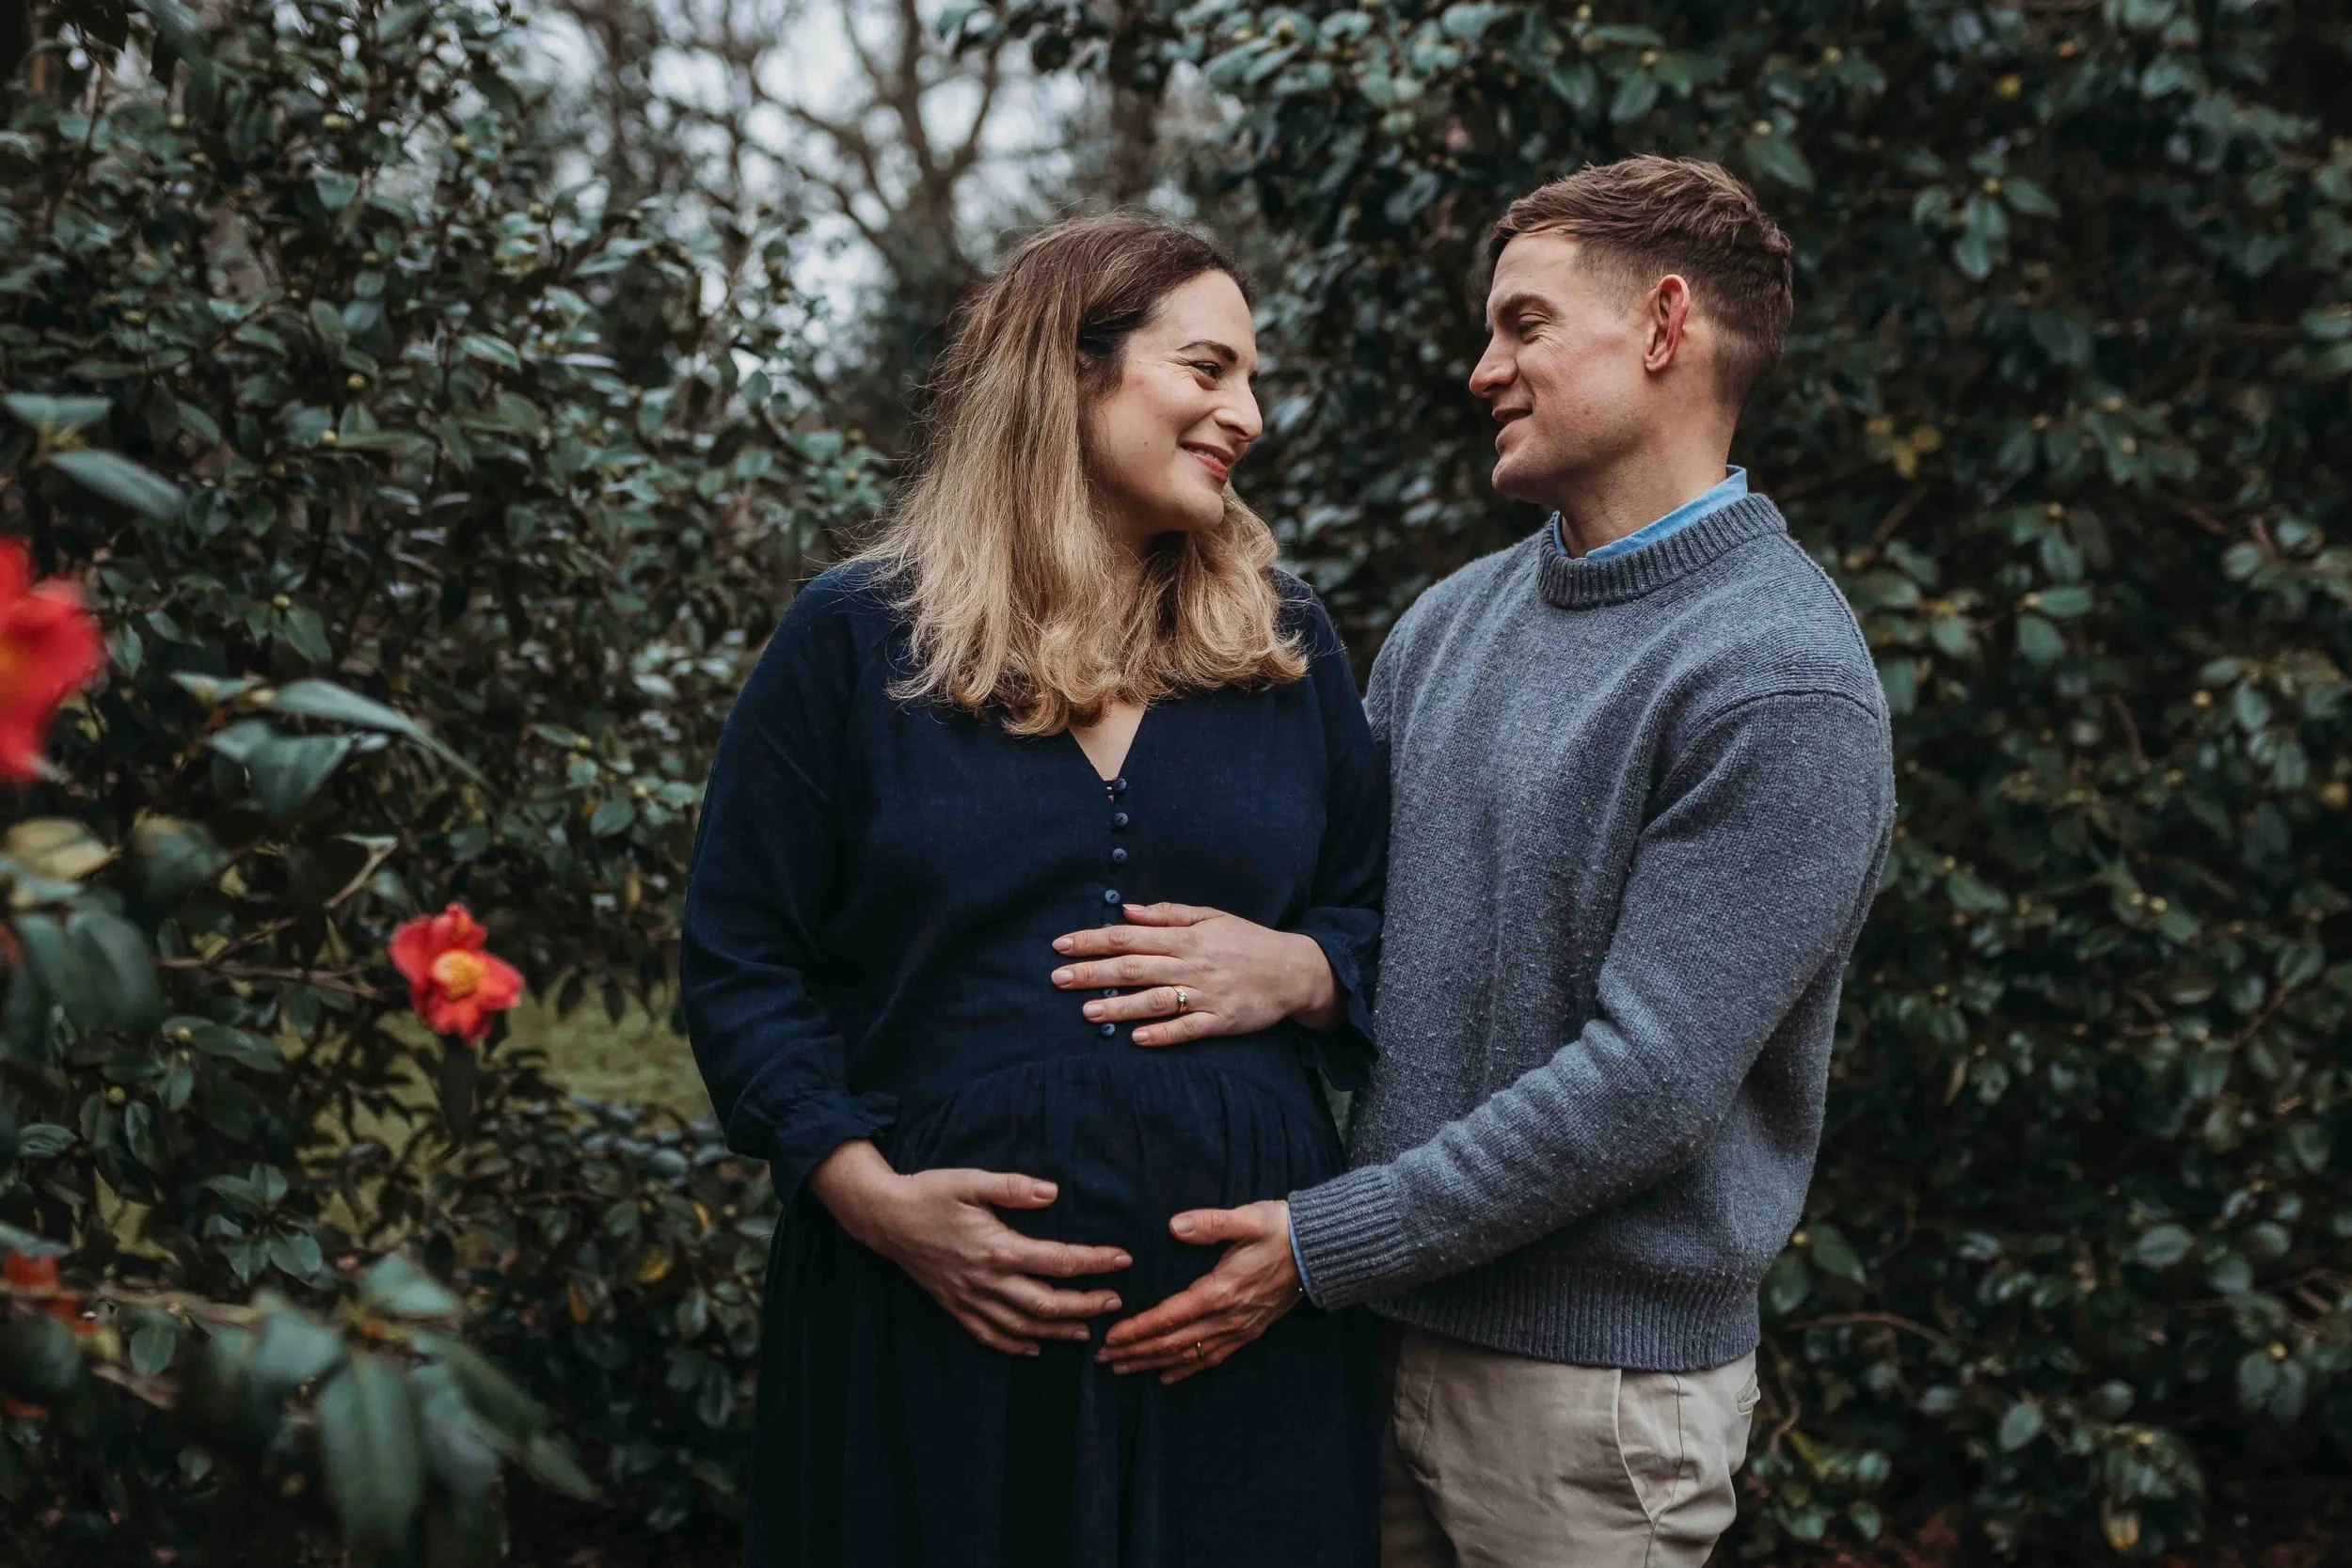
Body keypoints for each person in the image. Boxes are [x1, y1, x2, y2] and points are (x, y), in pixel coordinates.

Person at [1087, 157, 1897, 1565]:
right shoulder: (1450, 625)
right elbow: (1374, 924)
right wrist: (1307, 968)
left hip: (1587, 1401)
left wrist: (1325, 1241)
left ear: (1664, 325)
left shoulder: (1778, 679)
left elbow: (1648, 1086)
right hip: (1370, 1340)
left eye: (1525, 325)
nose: (1483, 371)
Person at [679, 213, 1385, 1568]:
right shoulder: (857, 640)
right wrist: (870, 1197)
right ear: (1069, 368)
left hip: (1242, 1359)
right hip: (931, 1339)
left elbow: (1385, 918)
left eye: (1252, 380)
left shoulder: (1283, 647)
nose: (1247, 416)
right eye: (1208, 369)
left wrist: (1304, 969)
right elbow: (740, 959)